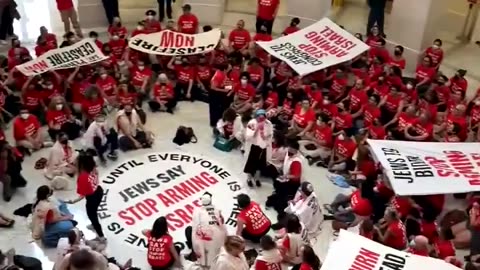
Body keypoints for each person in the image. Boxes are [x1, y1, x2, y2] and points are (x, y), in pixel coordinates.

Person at [66, 152, 105, 242]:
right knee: (94, 211)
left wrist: (73, 201)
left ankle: (101, 236)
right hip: (99, 190)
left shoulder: (83, 178)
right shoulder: (93, 168)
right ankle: (94, 225)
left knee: (92, 215)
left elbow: (82, 195)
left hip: (92, 198)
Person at [185, 192, 226, 268]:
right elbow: (222, 223)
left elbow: (195, 227)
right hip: (218, 240)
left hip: (204, 240)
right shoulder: (217, 209)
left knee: (189, 230)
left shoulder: (197, 211)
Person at [267, 140, 306, 215]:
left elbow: (296, 176)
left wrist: (285, 176)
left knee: (282, 195)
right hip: (288, 177)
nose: (290, 151)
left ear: (296, 151)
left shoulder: (296, 161)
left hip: (295, 183)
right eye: (289, 149)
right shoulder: (289, 154)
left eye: (292, 150)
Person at [243, 109, 273, 187]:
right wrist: (257, 129)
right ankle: (249, 179)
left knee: (260, 165)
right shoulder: (252, 123)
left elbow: (270, 134)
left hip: (264, 147)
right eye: (259, 117)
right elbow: (248, 136)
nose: (261, 119)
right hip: (254, 146)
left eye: (263, 117)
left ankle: (257, 179)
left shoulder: (268, 123)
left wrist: (265, 136)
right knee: (251, 164)